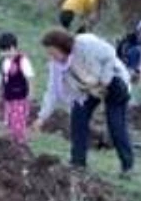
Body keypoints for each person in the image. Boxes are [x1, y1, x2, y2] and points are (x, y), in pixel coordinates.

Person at [34, 29, 134, 176]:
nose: (52, 57)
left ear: (62, 46)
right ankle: (78, 163)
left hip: (113, 80)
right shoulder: (56, 66)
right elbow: (52, 91)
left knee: (115, 124)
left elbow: (110, 55)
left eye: (53, 52)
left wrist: (104, 82)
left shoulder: (84, 44)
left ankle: (127, 166)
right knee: (78, 118)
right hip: (86, 90)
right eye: (49, 53)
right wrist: (41, 117)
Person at [0, 32, 34, 146]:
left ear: (14, 48)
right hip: (8, 97)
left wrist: (31, 93)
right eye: (3, 51)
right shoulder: (3, 62)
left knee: (18, 122)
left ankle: (20, 143)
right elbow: (1, 77)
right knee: (8, 120)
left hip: (20, 97)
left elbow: (30, 77)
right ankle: (10, 143)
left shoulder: (22, 60)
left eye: (8, 50)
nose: (5, 53)